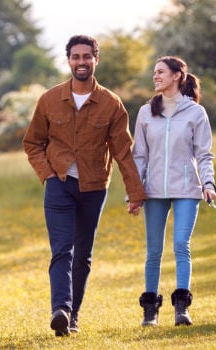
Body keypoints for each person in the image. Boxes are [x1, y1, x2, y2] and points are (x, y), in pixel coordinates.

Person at [23, 34, 146, 337]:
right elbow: (32, 143)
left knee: (83, 254)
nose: (81, 62)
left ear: (95, 60)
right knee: (61, 250)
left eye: (86, 56)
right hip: (59, 184)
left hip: (94, 188)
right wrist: (48, 175)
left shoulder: (111, 104)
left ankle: (73, 315)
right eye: (76, 57)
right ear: (68, 61)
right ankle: (60, 310)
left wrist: (135, 193)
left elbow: (122, 152)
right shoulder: (50, 99)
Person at [132, 56, 216, 326]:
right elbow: (139, 157)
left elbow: (204, 154)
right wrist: (133, 193)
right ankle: (150, 311)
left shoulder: (195, 113)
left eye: (160, 72)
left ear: (177, 76)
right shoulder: (146, 112)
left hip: (187, 189)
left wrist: (208, 183)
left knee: (181, 245)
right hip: (154, 190)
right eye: (154, 72)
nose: (155, 77)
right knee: (154, 251)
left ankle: (182, 308)